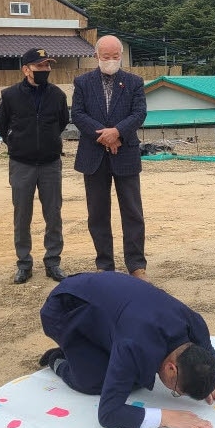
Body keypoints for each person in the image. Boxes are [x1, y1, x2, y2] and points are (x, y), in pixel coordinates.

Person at [38, 271, 215, 428]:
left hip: (108, 300)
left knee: (133, 376)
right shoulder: (133, 344)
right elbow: (108, 414)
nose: (173, 391)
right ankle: (58, 360)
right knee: (95, 380)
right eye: (176, 391)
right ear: (171, 368)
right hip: (65, 307)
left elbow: (208, 349)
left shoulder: (192, 321)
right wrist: (165, 417)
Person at [71, 36, 148, 279]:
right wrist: (105, 136)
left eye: (116, 57)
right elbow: (78, 114)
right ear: (96, 56)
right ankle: (104, 264)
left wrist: (118, 133)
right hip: (94, 155)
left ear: (121, 56)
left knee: (133, 211)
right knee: (97, 213)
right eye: (106, 57)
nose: (111, 61)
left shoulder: (134, 82)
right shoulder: (83, 82)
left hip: (125, 152)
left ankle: (136, 265)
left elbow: (139, 113)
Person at [0, 48, 69, 284]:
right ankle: (24, 263)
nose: (45, 70)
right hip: (22, 164)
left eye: (47, 66)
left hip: (50, 164)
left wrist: (46, 143)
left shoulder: (57, 95)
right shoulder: (9, 96)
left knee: (53, 214)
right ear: (26, 69)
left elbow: (61, 123)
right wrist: (19, 144)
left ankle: (53, 262)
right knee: (22, 215)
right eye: (40, 67)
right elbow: (2, 126)